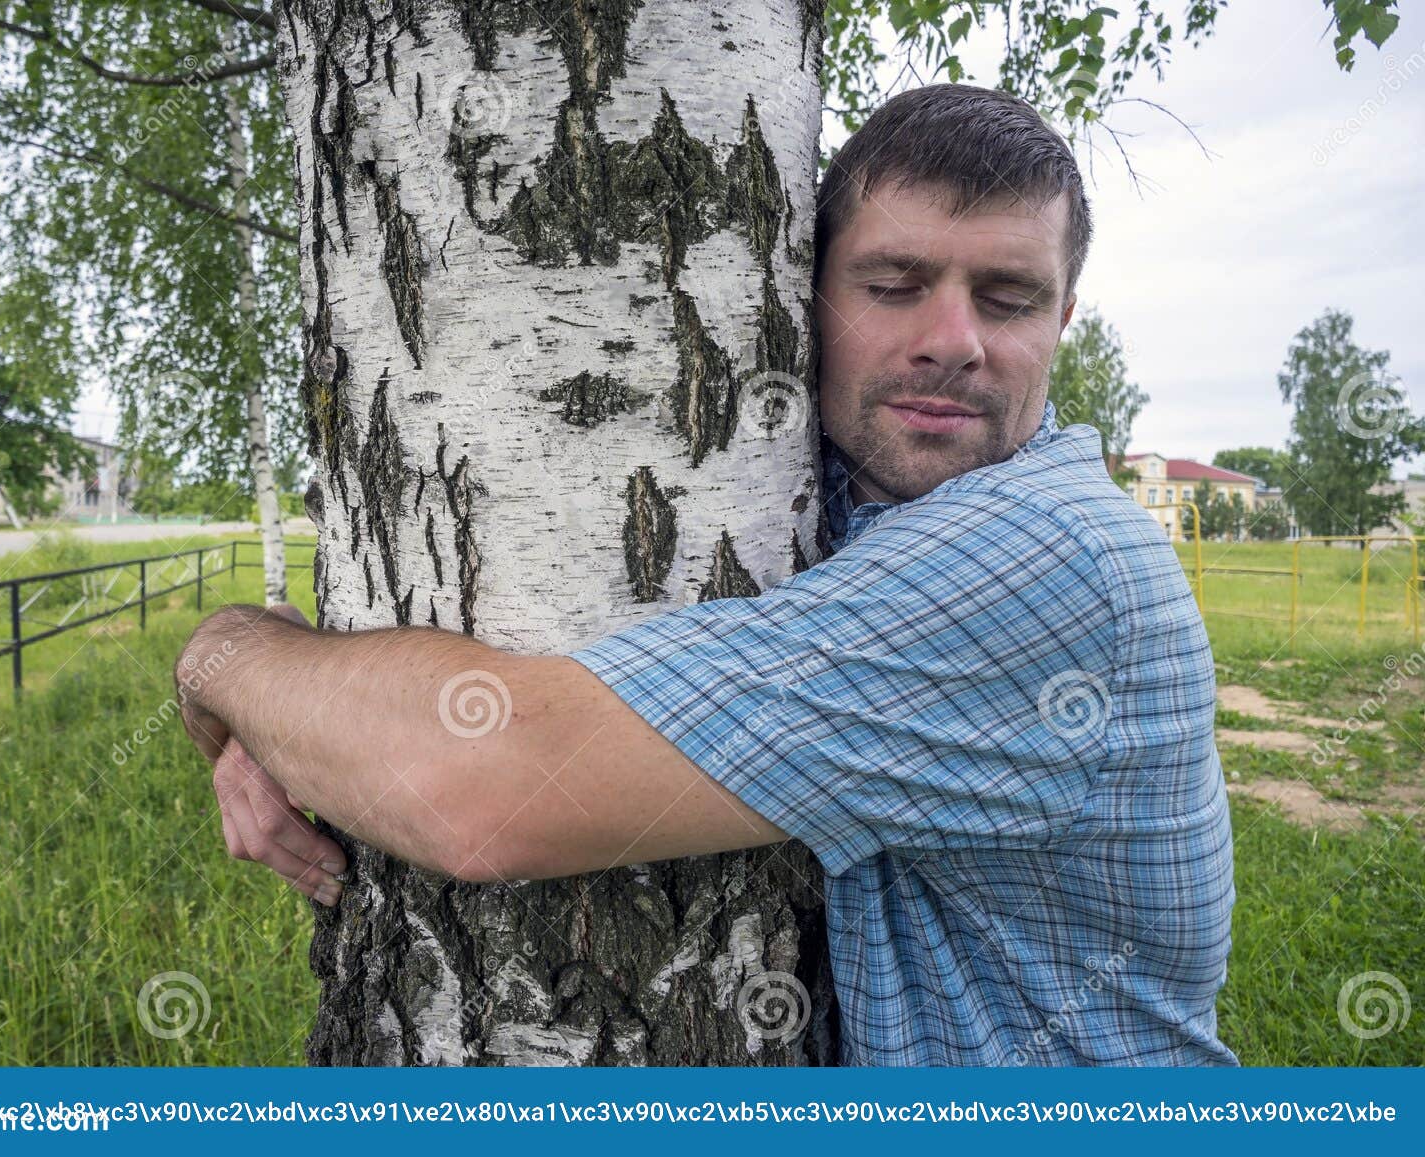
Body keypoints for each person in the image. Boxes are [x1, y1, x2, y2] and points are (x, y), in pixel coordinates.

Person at [175, 83, 1236, 1066]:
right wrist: (297, 716)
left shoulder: (1045, 557)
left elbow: (484, 788)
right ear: (801, 296)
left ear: (1062, 322)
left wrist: (229, 664)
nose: (950, 341)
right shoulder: (824, 488)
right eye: (892, 285)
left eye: (1006, 298)